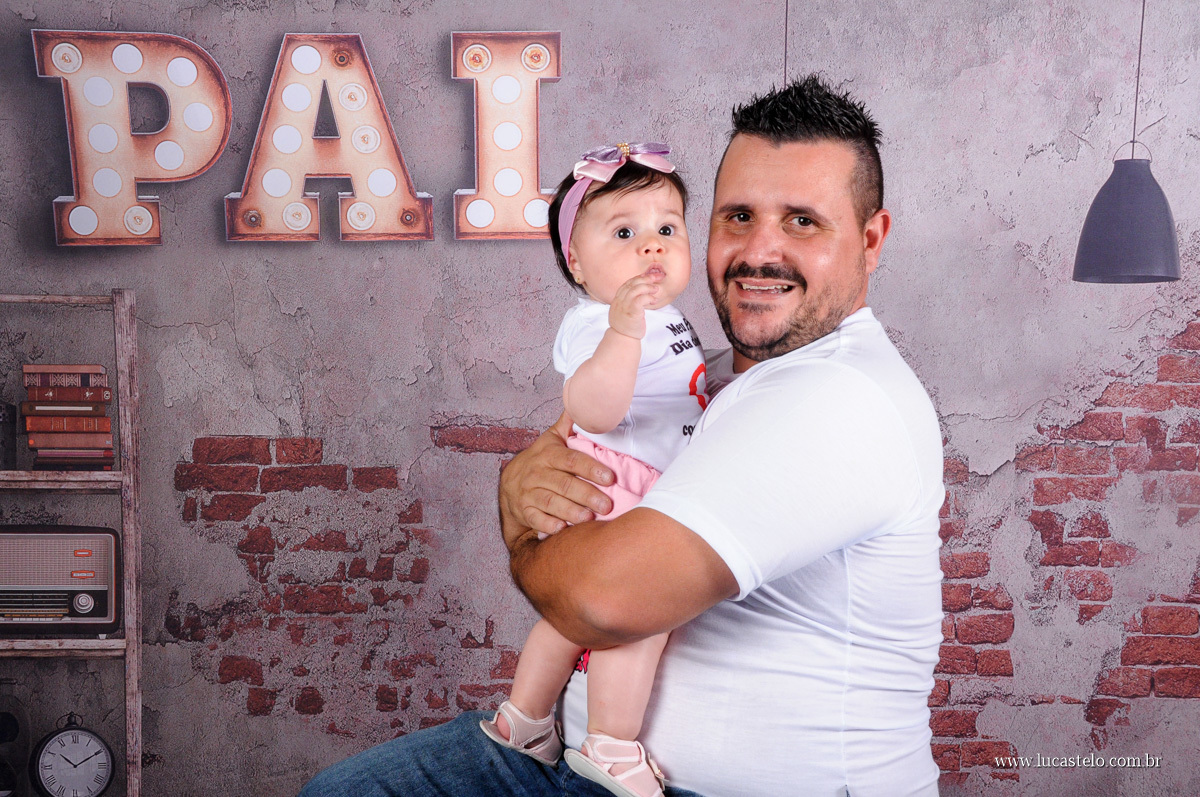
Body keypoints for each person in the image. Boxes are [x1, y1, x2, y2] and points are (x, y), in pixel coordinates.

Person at [298, 74, 944, 797]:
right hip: (569, 762)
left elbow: (603, 601)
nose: (760, 251)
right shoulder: (706, 377)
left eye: (802, 222)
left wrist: (520, 531)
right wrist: (528, 479)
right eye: (737, 217)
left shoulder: (840, 395)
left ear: (870, 240)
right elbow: (584, 437)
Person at [478, 143, 706, 797]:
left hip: (641, 482)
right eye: (625, 233)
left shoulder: (664, 318)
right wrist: (623, 334)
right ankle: (610, 741)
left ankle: (524, 718)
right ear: (576, 261)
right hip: (618, 484)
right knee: (634, 617)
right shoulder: (597, 323)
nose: (652, 245)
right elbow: (592, 408)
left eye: (668, 228)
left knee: (572, 614)